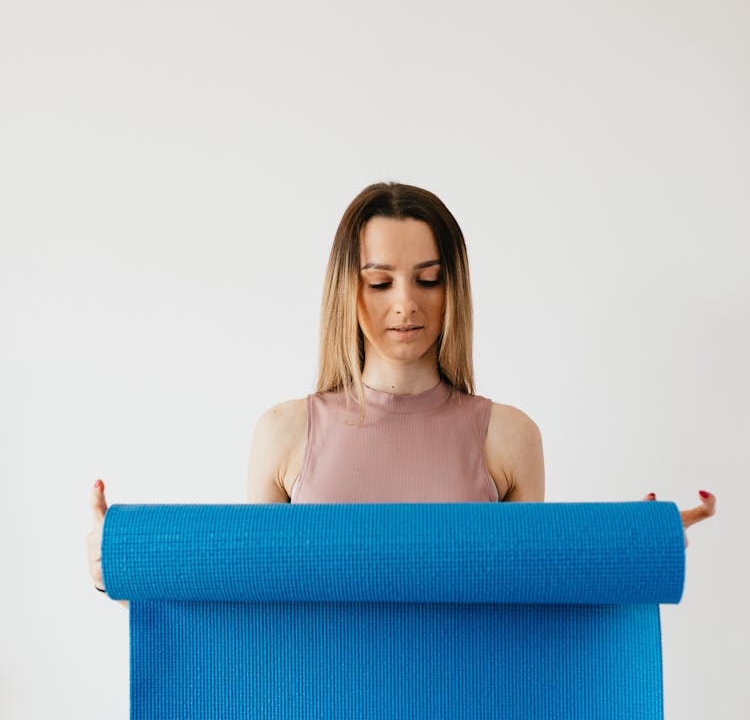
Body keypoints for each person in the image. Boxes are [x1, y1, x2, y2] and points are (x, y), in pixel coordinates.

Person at [86, 181, 716, 594]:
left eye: (428, 278)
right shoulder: (283, 434)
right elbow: (251, 601)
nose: (405, 305)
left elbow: (533, 600)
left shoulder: (508, 437)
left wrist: (638, 546)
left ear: (453, 287)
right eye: (380, 281)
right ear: (347, 289)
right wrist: (117, 558)